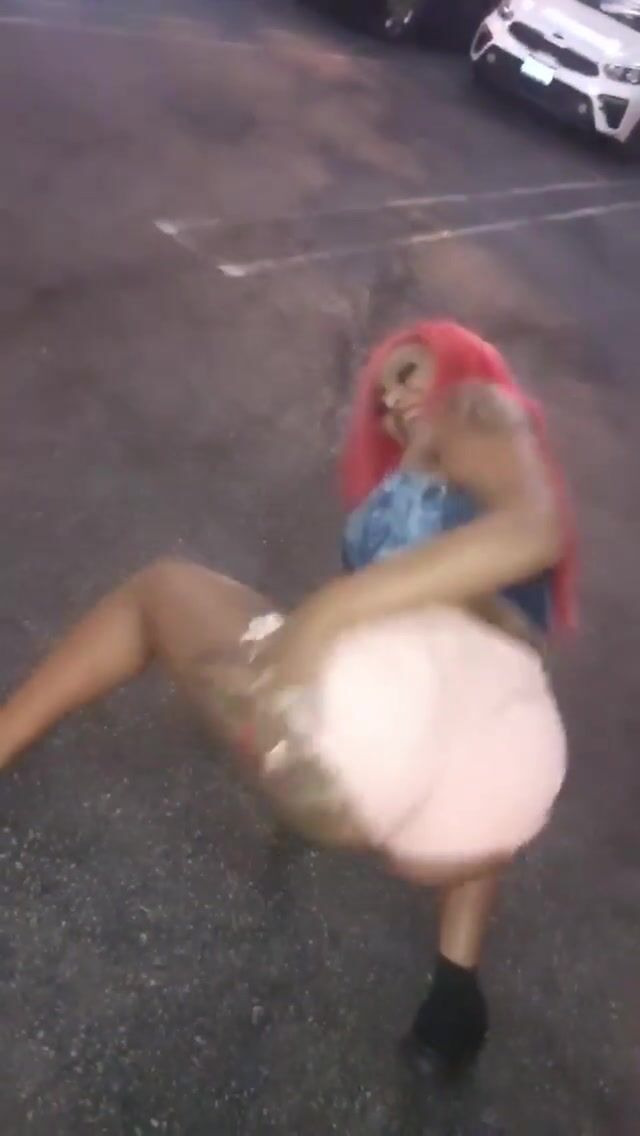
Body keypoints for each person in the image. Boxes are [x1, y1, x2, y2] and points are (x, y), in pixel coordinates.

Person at [0, 320, 576, 1076]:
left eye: (411, 370)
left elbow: (537, 529)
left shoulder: (473, 411)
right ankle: (454, 998)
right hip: (478, 803)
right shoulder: (450, 493)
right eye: (383, 391)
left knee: (161, 591)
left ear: (461, 364)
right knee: (470, 681)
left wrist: (327, 616)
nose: (395, 398)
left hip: (365, 768)